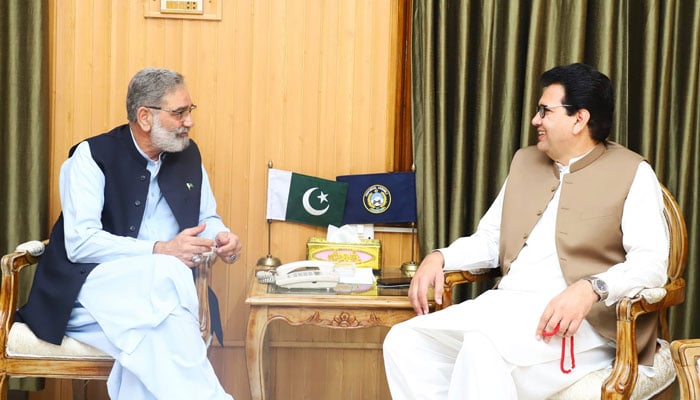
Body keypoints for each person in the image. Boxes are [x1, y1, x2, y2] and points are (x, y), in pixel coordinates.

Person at [382, 63, 669, 399]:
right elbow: (491, 239)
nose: (536, 120)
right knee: (404, 341)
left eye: (545, 110)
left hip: (582, 323)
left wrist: (591, 289)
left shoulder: (633, 171)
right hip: (505, 308)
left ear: (580, 119)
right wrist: (440, 257)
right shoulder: (525, 161)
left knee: (480, 348)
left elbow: (651, 264)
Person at [16, 68, 239, 399]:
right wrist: (159, 250)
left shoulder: (189, 155)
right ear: (145, 117)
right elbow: (81, 244)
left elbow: (208, 217)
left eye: (190, 111)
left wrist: (223, 237)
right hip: (88, 289)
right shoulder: (90, 157)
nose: (188, 122)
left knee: (154, 337)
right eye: (179, 113)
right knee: (167, 276)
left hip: (157, 297)